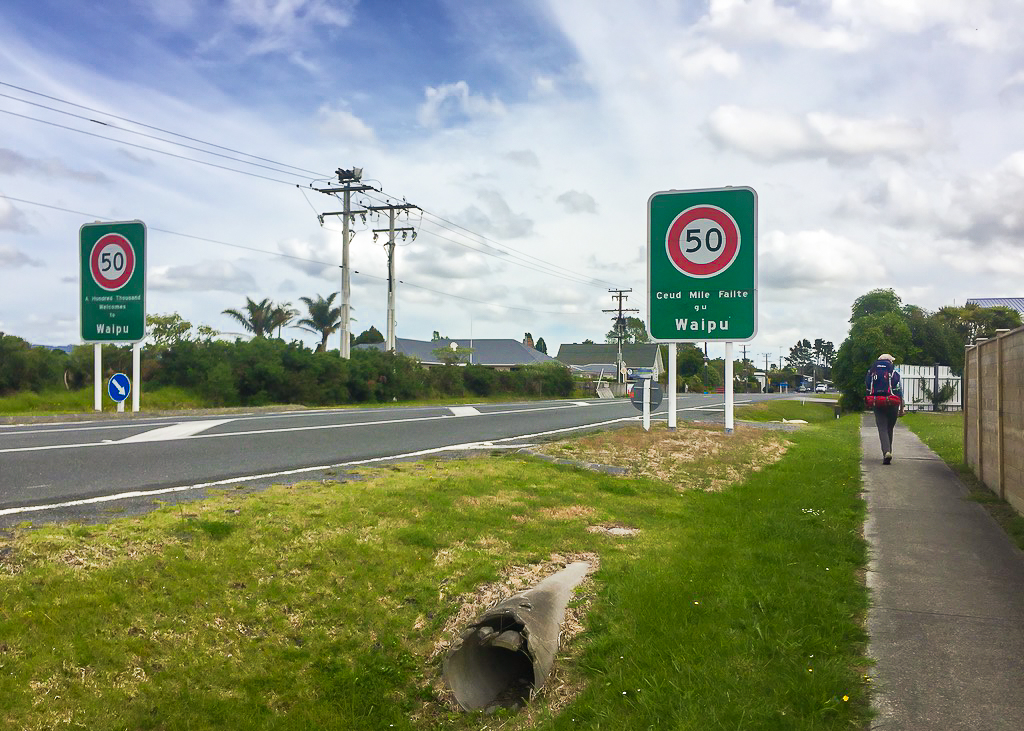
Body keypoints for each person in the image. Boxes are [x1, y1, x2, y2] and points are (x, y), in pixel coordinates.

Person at [865, 353, 904, 465]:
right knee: (889, 428)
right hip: (893, 402)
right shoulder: (894, 372)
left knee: (882, 428)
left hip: (877, 402)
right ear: (890, 361)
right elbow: (899, 391)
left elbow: (868, 387)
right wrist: (902, 408)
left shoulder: (871, 372)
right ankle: (888, 452)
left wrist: (869, 402)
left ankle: (886, 452)